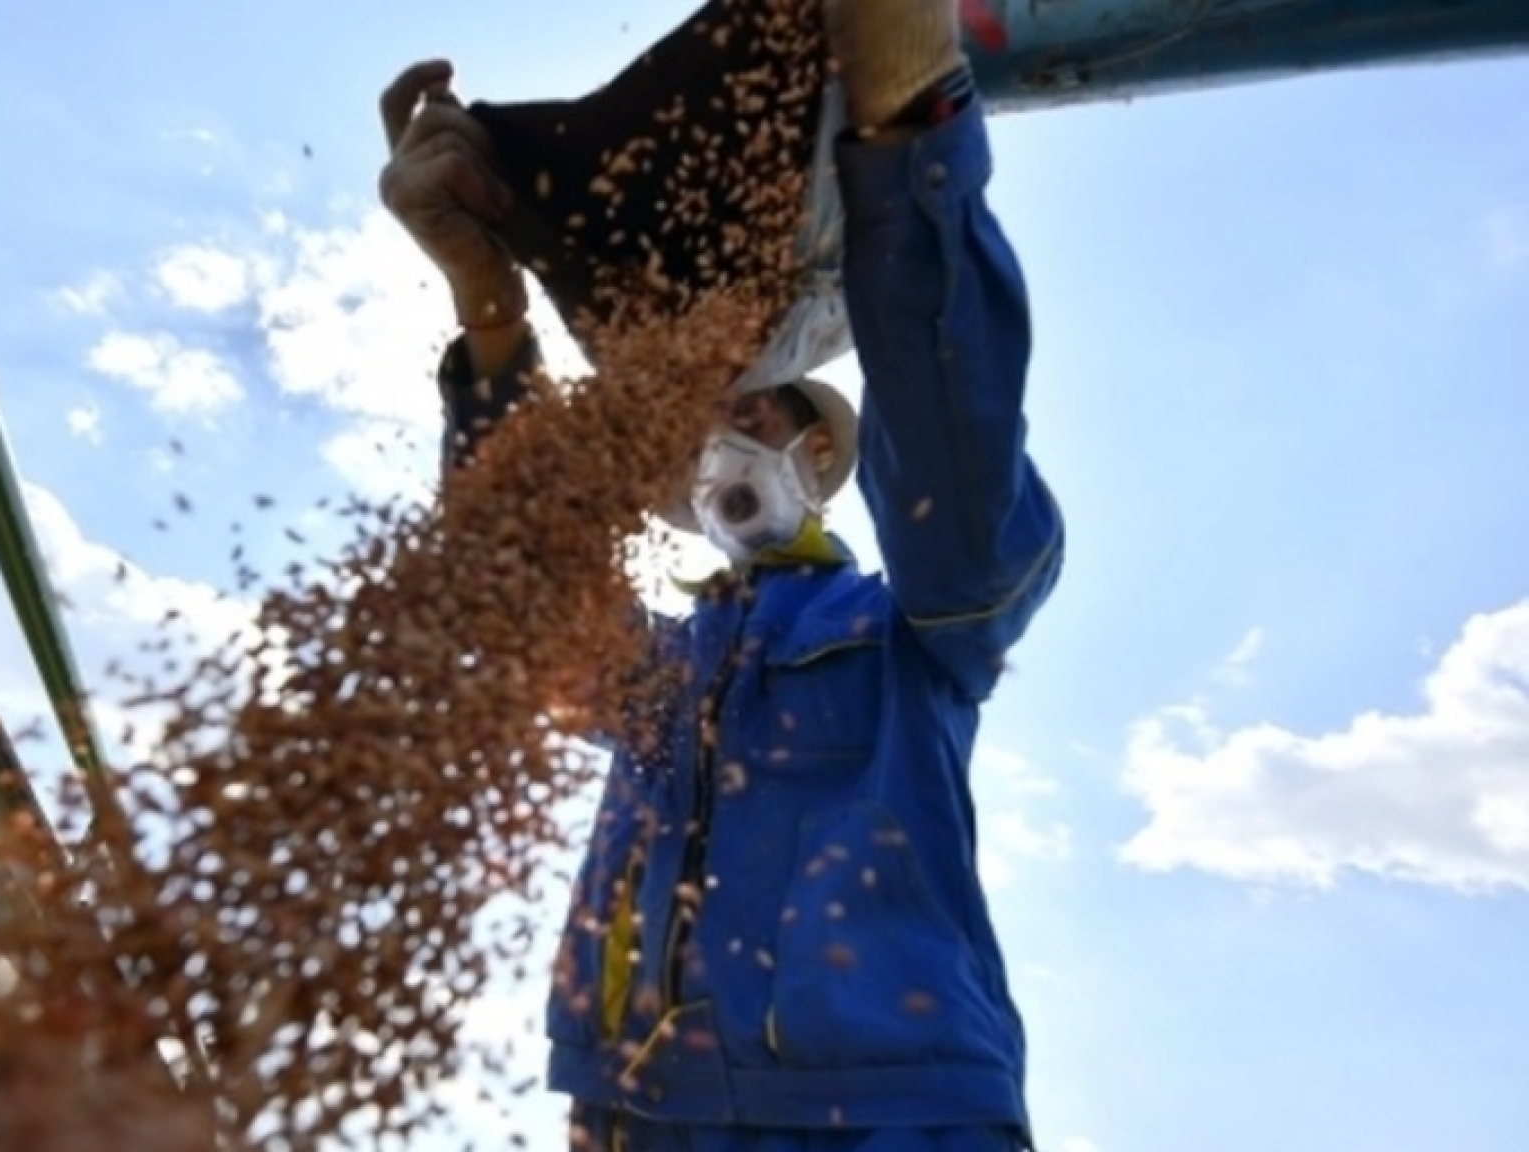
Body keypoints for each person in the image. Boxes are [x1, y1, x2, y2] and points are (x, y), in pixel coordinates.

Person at [379, 0, 1064, 1148]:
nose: (726, 433)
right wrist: (490, 308)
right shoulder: (659, 674)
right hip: (640, 1113)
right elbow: (517, 601)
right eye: (707, 424)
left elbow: (964, 507)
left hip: (893, 1114)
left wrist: (909, 147)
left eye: (759, 409)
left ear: (822, 457)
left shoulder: (909, 645)